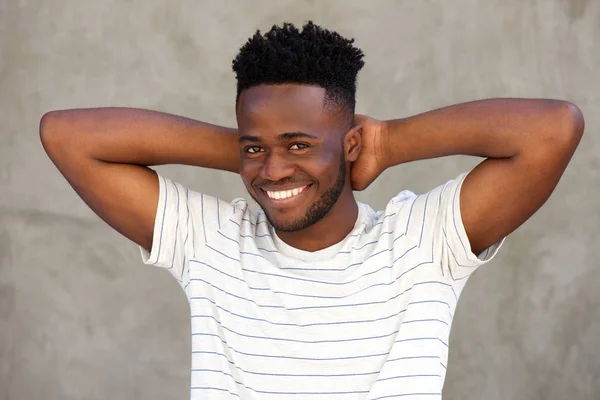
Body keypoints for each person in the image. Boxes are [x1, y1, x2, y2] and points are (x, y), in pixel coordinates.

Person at [40, 21, 584, 400]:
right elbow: (65, 135)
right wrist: (258, 150)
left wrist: (389, 142)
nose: (274, 171)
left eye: (300, 144)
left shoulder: (422, 242)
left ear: (349, 144)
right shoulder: (211, 241)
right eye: (256, 148)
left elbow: (554, 129)